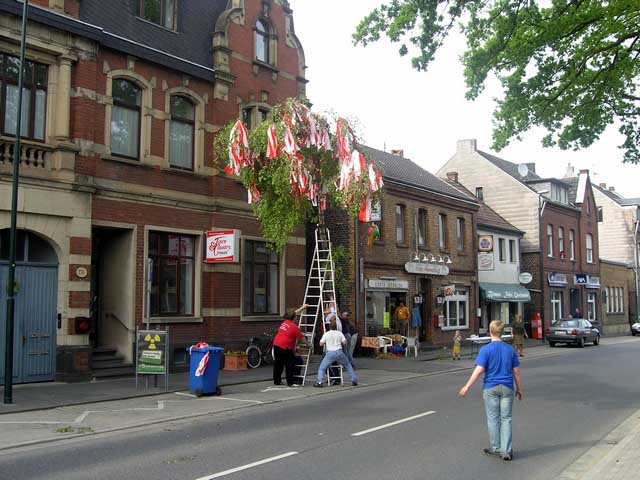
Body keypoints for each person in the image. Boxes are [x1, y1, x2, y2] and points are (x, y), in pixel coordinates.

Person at [459, 320, 523, 461]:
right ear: (502, 332)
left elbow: (479, 370)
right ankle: (506, 450)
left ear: (490, 332)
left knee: (493, 418)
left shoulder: (486, 350)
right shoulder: (510, 350)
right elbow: (516, 372)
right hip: (507, 387)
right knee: (506, 419)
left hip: (491, 388)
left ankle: (495, 448)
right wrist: (519, 389)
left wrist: (467, 386)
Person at [314, 318, 358, 387]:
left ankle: (319, 382)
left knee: (322, 368)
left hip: (330, 353)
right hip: (339, 352)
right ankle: (353, 380)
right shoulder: (339, 333)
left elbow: (321, 344)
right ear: (336, 327)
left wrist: (326, 342)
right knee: (348, 365)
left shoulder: (326, 334)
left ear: (329, 327)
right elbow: (344, 342)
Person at [273, 304, 309, 387]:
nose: (296, 318)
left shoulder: (285, 322)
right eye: (296, 317)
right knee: (290, 364)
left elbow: (293, 313)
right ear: (294, 318)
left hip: (276, 345)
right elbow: (302, 339)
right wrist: (308, 345)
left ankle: (277, 381)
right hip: (285, 348)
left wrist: (302, 308)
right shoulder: (294, 327)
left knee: (278, 364)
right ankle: (290, 382)